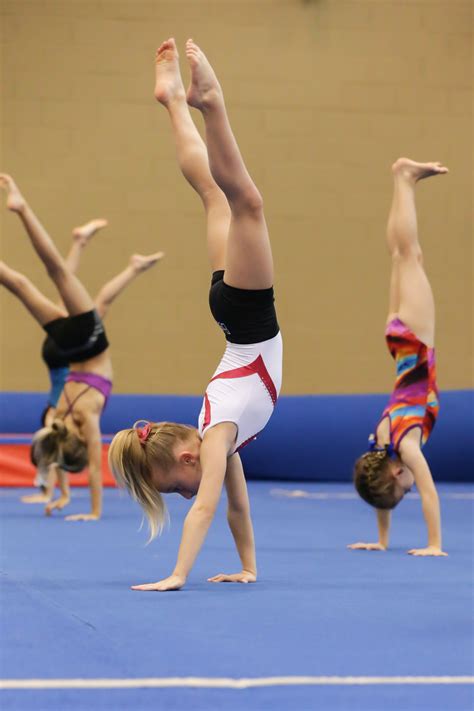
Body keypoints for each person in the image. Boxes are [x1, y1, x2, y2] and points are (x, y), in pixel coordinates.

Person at [108, 38, 283, 590]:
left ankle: (210, 102)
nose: (190, 490)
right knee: (215, 195)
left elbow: (206, 509)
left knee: (244, 201)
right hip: (228, 310)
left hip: (248, 313)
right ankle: (173, 100)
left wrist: (178, 574)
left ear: (186, 456)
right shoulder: (216, 437)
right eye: (179, 492)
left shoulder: (215, 437)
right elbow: (236, 506)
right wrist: (249, 567)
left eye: (178, 486)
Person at [0, 174, 163, 520]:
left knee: (57, 271)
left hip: (88, 342)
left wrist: (94, 512)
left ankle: (22, 208)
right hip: (64, 346)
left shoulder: (86, 417)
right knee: (17, 283)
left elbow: (94, 468)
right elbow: (53, 450)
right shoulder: (56, 414)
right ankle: (102, 252)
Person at [348, 158, 448, 557]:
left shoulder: (405, 449)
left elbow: (428, 491)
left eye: (398, 490)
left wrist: (434, 544)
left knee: (409, 253)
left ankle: (403, 178)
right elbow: (380, 491)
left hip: (415, 342)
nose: (407, 490)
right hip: (398, 342)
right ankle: (401, 180)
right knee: (401, 256)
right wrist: (382, 540)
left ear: (394, 473)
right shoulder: (381, 442)